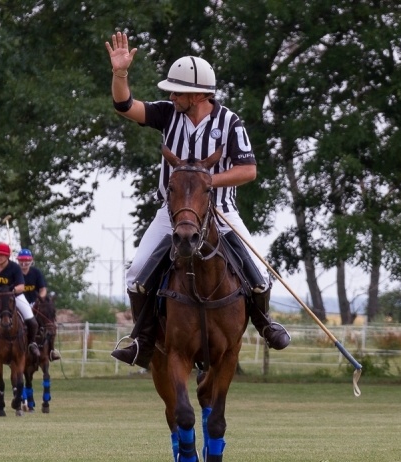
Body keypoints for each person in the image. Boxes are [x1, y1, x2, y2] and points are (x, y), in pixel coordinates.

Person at [104, 32, 291, 369]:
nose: (171, 95)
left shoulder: (230, 123)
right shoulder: (166, 114)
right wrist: (120, 74)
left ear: (199, 93)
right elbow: (125, 106)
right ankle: (143, 340)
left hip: (221, 212)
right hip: (172, 213)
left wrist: (205, 182)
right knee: (135, 274)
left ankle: (264, 323)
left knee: (260, 274)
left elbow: (248, 170)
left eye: (177, 90)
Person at [17, 248, 60, 361]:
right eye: (21, 260)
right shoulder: (15, 272)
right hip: (18, 302)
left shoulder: (36, 273)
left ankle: (51, 350)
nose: (24, 263)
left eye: (26, 260)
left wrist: (40, 299)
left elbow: (43, 289)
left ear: (31, 261)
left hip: (34, 304)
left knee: (50, 325)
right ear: (18, 261)